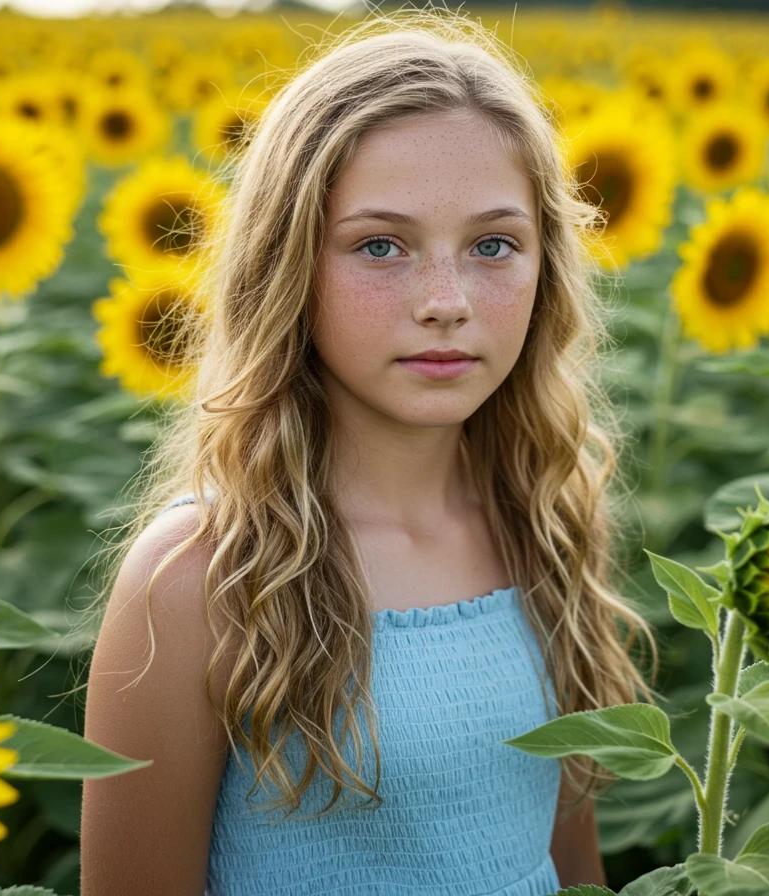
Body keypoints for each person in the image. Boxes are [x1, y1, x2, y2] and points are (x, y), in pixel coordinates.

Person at [79, 9, 656, 895]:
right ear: (286, 268)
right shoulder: (201, 579)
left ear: (547, 269)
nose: (445, 300)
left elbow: (572, 869)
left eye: (494, 244)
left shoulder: (545, 517)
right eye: (380, 246)